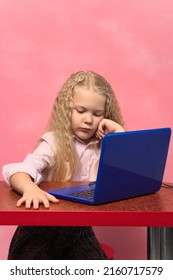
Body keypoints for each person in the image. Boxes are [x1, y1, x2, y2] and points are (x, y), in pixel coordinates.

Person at [2, 70, 125, 260]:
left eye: (97, 113)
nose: (88, 120)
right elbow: (17, 170)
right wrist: (29, 189)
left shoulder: (104, 146)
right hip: (40, 231)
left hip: (79, 232)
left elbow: (125, 179)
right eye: (81, 111)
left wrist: (118, 132)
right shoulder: (54, 143)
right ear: (67, 109)